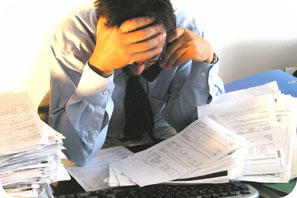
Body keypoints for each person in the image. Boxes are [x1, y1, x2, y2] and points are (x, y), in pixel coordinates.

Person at [49, 0, 224, 166]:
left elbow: (189, 127)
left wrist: (206, 62)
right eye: (131, 59)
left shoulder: (184, 30)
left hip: (166, 144)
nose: (139, 71)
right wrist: (99, 68)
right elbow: (77, 153)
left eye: (151, 59)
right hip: (100, 150)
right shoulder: (74, 38)